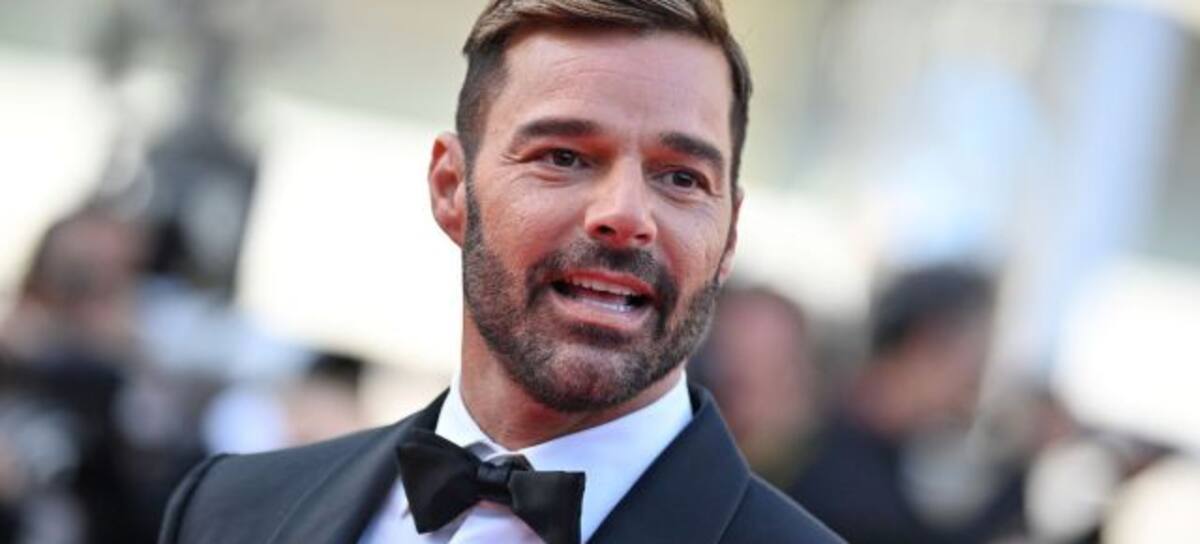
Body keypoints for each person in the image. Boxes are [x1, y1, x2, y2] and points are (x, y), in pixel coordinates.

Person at [157, 1, 843, 543]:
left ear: (729, 234)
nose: (626, 215)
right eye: (564, 157)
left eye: (682, 177)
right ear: (451, 187)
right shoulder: (228, 510)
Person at [789, 264, 1023, 544]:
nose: (976, 382)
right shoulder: (831, 461)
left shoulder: (876, 449)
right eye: (975, 357)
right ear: (927, 341)